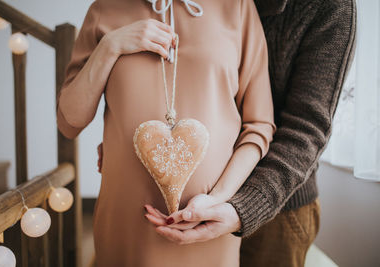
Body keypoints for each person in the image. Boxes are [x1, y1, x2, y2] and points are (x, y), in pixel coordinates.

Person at [98, 0, 357, 266]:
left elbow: (306, 129)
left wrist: (242, 207)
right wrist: (125, 133)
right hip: (186, 208)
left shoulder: (330, 7)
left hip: (275, 208)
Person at [57, 0, 276, 266]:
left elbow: (259, 125)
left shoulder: (237, 6)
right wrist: (110, 46)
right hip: (125, 226)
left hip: (208, 227)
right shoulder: (104, 9)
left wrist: (217, 200)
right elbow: (69, 122)